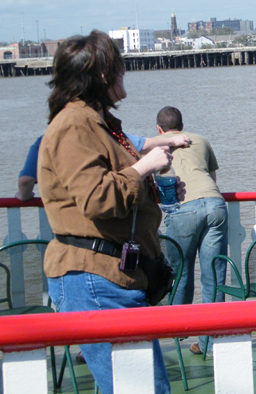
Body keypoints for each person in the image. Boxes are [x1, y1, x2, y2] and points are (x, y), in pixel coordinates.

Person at [37, 30, 190, 394]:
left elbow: (108, 184)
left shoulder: (93, 122)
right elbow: (97, 198)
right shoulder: (74, 124)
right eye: (119, 67)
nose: (125, 73)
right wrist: (144, 167)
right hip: (96, 280)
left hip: (107, 277)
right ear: (102, 75)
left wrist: (156, 183)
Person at [156, 106, 227, 356]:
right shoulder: (202, 140)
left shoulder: (157, 147)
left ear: (159, 129)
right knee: (213, 275)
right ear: (182, 126)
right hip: (215, 204)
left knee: (181, 272)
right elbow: (213, 177)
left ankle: (179, 331)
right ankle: (209, 342)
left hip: (184, 208)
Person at [17, 134, 168, 201]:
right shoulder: (102, 134)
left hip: (64, 223)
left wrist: (24, 196)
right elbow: (139, 144)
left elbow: (25, 181)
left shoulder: (45, 141)